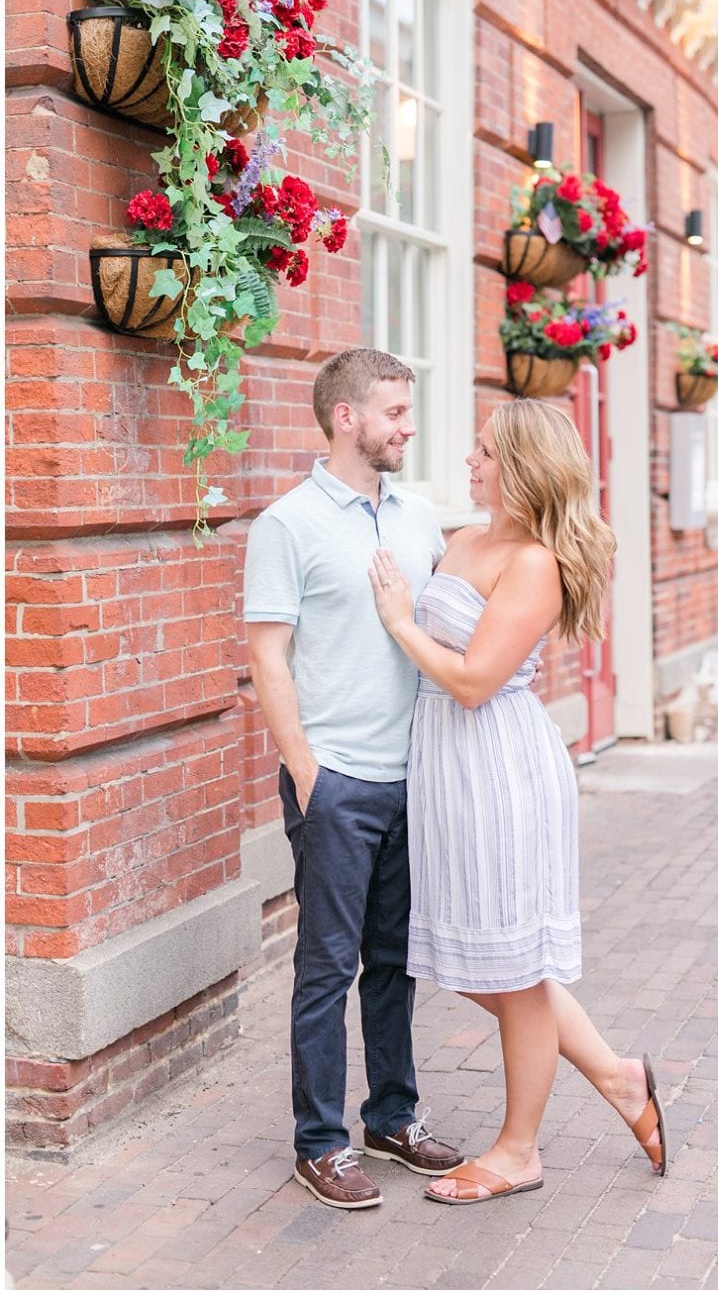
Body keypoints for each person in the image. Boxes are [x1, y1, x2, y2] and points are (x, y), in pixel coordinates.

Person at [367, 398, 666, 1204]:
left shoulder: (533, 561)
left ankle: (519, 1150)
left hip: (498, 764)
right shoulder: (466, 537)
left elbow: (470, 681)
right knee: (477, 959)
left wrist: (399, 619)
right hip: (445, 769)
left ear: (525, 466)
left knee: (515, 965)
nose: (469, 460)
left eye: (486, 452)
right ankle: (617, 1073)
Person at [245, 348, 466, 1210]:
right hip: (337, 782)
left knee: (394, 962)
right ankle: (320, 1141)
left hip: (414, 778)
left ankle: (392, 1118)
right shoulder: (288, 524)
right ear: (347, 417)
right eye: (395, 413)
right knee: (326, 966)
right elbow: (268, 657)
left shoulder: (418, 518)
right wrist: (307, 770)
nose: (408, 427)